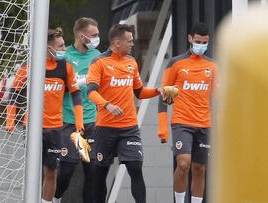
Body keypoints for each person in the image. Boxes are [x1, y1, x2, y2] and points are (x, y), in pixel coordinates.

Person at [86, 24, 166, 203]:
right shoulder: (99, 62)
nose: (132, 44)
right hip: (105, 128)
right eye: (129, 41)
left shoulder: (131, 63)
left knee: (135, 167)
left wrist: (157, 91)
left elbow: (139, 92)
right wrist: (107, 105)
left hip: (129, 128)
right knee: (100, 172)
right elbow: (90, 92)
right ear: (117, 42)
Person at [6, 27, 84, 203]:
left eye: (64, 45)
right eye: (61, 46)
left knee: (51, 170)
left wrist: (79, 121)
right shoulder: (29, 68)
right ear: (48, 48)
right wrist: (10, 119)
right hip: (32, 126)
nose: (65, 49)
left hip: (55, 128)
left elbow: (76, 93)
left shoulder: (66, 67)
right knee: (32, 169)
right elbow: (14, 93)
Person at [157, 22, 217, 203]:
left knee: (200, 169)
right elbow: (163, 96)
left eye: (205, 42)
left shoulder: (213, 66)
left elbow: (220, 97)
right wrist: (162, 129)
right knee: (183, 164)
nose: (201, 45)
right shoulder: (176, 63)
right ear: (190, 39)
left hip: (205, 124)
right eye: (198, 41)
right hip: (182, 122)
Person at [53, 17, 101, 203]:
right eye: (94, 35)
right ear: (82, 36)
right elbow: (56, 86)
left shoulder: (97, 56)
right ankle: (55, 198)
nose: (98, 38)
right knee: (67, 169)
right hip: (69, 123)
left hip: (90, 123)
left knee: (92, 170)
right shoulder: (65, 57)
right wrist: (77, 82)